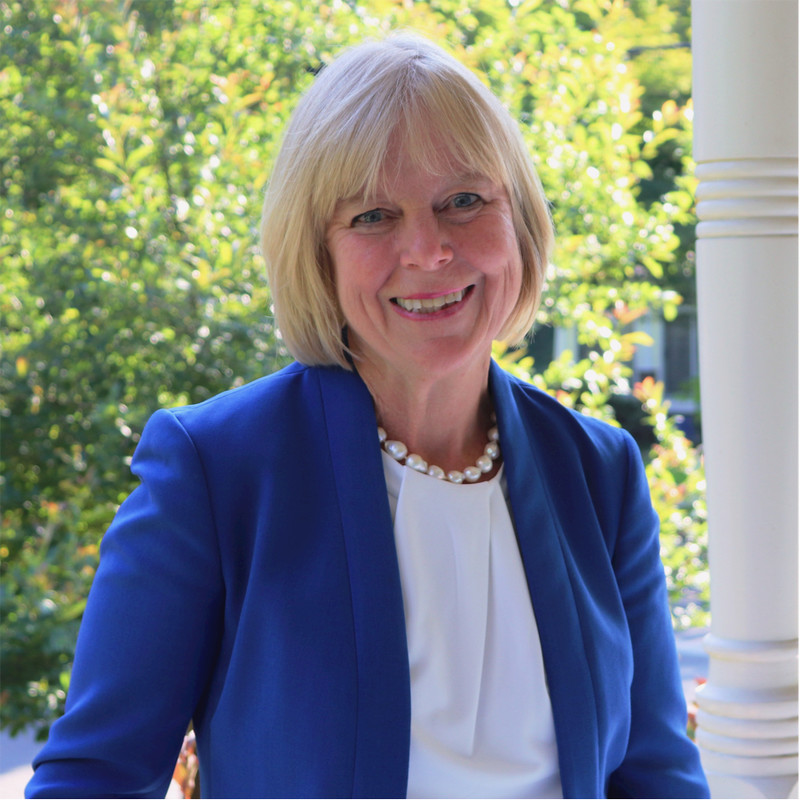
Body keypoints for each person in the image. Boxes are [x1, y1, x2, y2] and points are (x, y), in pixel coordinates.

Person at [26, 33, 709, 799]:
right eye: (375, 216)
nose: (428, 250)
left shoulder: (598, 471)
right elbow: (93, 779)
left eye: (463, 202)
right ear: (317, 252)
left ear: (517, 218)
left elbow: (656, 776)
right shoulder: (218, 471)